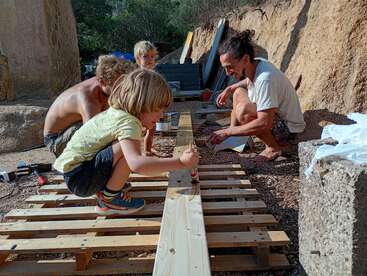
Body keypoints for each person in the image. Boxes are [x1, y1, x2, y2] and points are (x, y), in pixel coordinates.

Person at [53, 69, 199, 215]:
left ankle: (107, 187)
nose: (161, 115)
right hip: (81, 179)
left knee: (127, 147)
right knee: (129, 153)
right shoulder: (129, 122)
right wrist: (181, 162)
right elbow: (137, 164)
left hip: (76, 173)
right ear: (143, 103)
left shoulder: (117, 113)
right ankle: (109, 200)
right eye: (158, 109)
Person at [210, 30, 305, 161]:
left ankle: (274, 148)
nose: (227, 73)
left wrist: (227, 132)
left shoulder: (265, 79)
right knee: (238, 93)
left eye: (230, 67)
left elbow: (264, 123)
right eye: (225, 68)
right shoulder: (257, 63)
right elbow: (248, 80)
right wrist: (230, 88)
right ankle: (234, 137)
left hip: (289, 131)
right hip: (277, 119)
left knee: (243, 111)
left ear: (245, 59)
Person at [44, 55, 137, 157]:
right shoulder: (87, 98)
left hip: (73, 129)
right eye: (118, 87)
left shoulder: (106, 85)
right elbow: (91, 136)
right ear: (102, 81)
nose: (123, 91)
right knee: (106, 135)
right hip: (56, 141)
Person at [134, 40, 160, 156]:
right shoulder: (138, 75)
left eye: (152, 56)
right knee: (137, 132)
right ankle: (135, 154)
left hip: (152, 107)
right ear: (138, 59)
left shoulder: (155, 75)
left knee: (152, 130)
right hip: (141, 107)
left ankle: (148, 150)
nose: (149, 59)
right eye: (145, 56)